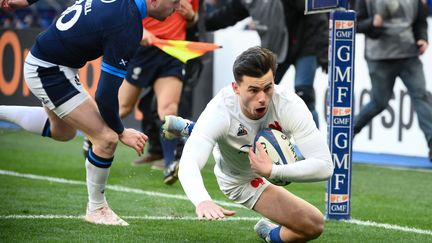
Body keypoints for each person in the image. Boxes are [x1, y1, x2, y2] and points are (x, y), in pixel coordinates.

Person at [0, 0, 180, 226]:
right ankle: (97, 209)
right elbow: (104, 95)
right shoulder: (127, 24)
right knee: (106, 138)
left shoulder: (127, 15)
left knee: (63, 132)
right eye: (174, 2)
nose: (178, 7)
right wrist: (121, 131)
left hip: (52, 62)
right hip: (49, 70)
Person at [163, 47, 334, 242]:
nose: (262, 98)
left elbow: (325, 166)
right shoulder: (221, 110)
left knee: (313, 225)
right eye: (253, 90)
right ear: (236, 88)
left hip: (263, 163)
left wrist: (273, 171)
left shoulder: (289, 104)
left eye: (268, 88)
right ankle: (196, 130)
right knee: (215, 131)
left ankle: (269, 234)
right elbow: (189, 163)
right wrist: (202, 200)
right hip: (239, 179)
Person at [203, 0, 328, 128]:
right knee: (259, 94)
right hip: (276, 49)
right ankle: (257, 140)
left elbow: (316, 15)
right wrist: (199, 23)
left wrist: (324, 52)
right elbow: (227, 15)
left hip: (306, 44)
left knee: (304, 95)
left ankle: (313, 143)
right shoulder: (247, 2)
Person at [117, 0, 199, 184]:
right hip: (144, 48)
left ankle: (171, 163)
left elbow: (194, 20)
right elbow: (123, 10)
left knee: (168, 108)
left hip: (173, 50)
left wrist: (191, 16)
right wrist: (138, 29)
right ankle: (94, 137)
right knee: (123, 107)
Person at [354, 0, 432, 161]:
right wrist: (373, 24)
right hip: (379, 58)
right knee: (379, 102)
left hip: (409, 55)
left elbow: (420, 21)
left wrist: (422, 38)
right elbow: (355, 24)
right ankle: (345, 135)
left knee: (422, 97)